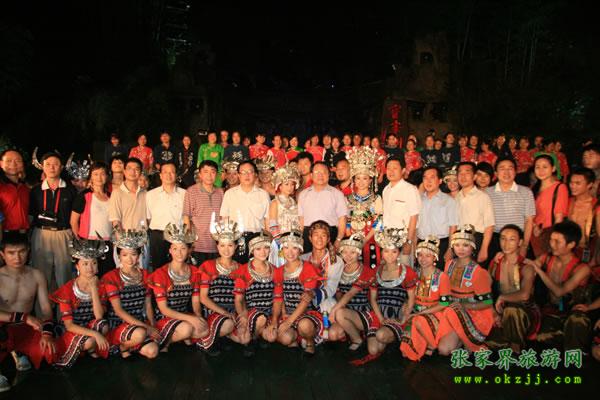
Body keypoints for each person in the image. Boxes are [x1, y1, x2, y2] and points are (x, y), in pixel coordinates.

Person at [350, 227, 417, 365]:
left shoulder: (407, 271)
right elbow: (373, 299)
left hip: (397, 315)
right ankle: (385, 334)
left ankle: (396, 333)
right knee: (373, 350)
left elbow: (411, 298)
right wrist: (381, 319)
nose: (390, 255)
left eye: (394, 252)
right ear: (381, 252)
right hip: (378, 315)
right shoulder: (377, 271)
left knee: (381, 336)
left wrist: (403, 319)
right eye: (386, 251)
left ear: (399, 253)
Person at [0, 233, 56, 391]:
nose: (17, 258)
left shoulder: (36, 275)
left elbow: (46, 310)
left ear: (28, 251)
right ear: (2, 254)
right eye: (11, 253)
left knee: (50, 353)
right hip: (3, 329)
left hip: (26, 329)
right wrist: (24, 317)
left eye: (21, 251)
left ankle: (19, 352)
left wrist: (46, 333)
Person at [524, 220, 592, 350]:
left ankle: (575, 358)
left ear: (571, 244)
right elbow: (528, 266)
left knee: (576, 321)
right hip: (552, 310)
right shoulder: (547, 257)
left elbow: (559, 292)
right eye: (551, 240)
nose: (552, 244)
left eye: (557, 242)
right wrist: (508, 257)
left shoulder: (582, 268)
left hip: (574, 313)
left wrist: (538, 270)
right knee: (541, 338)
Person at [50, 237, 110, 368]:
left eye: (94, 263)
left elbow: (99, 316)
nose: (90, 268)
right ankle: (88, 347)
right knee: (90, 341)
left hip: (89, 325)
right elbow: (69, 326)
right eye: (85, 264)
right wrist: (95, 334)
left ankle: (90, 348)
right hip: (72, 329)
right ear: (77, 266)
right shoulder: (67, 289)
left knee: (103, 325)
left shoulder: (101, 286)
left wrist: (94, 289)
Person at [148, 223, 209, 351]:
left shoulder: (194, 272)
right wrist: (190, 319)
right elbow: (164, 309)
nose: (179, 253)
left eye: (183, 248)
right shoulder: (160, 274)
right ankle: (164, 342)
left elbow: (196, 302)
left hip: (184, 314)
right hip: (165, 316)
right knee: (187, 329)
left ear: (189, 250)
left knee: (204, 330)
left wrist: (198, 318)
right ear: (170, 250)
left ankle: (180, 335)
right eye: (175, 249)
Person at [101, 229, 159, 359]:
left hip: (139, 322)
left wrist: (152, 325)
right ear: (119, 256)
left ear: (139, 255)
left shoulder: (145, 275)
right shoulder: (111, 277)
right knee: (140, 334)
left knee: (153, 351)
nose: (129, 259)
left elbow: (148, 305)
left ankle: (133, 345)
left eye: (133, 254)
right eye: (125, 255)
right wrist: (146, 328)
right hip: (119, 323)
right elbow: (118, 311)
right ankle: (122, 347)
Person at [436, 225, 494, 355]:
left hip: (473, 314)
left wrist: (464, 305)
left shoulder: (478, 271)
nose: (461, 249)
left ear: (472, 247)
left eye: (465, 245)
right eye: (457, 245)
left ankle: (470, 341)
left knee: (451, 310)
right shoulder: (449, 264)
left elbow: (487, 303)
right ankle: (463, 339)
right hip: (452, 311)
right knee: (443, 350)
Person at [485, 225, 540, 353]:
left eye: (512, 239)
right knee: (490, 341)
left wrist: (502, 297)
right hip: (501, 309)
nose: (506, 243)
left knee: (511, 311)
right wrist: (493, 311)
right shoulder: (496, 263)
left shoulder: (526, 266)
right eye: (503, 238)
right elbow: (484, 289)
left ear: (520, 242)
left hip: (523, 312)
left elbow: (525, 295)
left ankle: (516, 348)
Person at [29, 152, 78, 291]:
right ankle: (42, 305)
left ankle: (65, 305)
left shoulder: (70, 190)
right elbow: (30, 214)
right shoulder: (35, 190)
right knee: (41, 274)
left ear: (61, 167)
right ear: (42, 167)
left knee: (65, 274)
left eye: (55, 164)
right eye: (48, 164)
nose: (52, 167)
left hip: (64, 234)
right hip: (41, 234)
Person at [199, 220, 248, 355]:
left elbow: (241, 297)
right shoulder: (208, 266)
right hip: (213, 311)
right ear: (217, 246)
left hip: (233, 310)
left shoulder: (241, 268)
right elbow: (203, 298)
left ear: (236, 246)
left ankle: (225, 335)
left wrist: (243, 314)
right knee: (228, 324)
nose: (226, 249)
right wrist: (224, 313)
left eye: (230, 245)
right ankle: (206, 341)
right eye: (222, 245)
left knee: (245, 339)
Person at [272, 230, 323, 355]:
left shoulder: (308, 268)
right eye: (286, 248)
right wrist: (283, 314)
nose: (290, 252)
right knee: (284, 338)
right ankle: (295, 339)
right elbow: (279, 297)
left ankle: (310, 341)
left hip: (306, 312)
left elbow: (306, 300)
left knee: (305, 325)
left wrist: (289, 321)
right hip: (288, 313)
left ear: (300, 250)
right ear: (282, 250)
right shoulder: (279, 271)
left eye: (294, 248)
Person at [400, 237, 450, 361]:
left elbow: (444, 304)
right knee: (405, 351)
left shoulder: (442, 276)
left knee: (417, 320)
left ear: (435, 258)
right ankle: (422, 341)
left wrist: (421, 313)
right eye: (420, 255)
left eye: (428, 256)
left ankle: (432, 344)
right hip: (416, 311)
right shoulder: (414, 273)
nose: (423, 259)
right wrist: (406, 305)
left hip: (435, 313)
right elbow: (409, 296)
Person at [328, 234, 377, 349]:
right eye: (345, 252)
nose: (348, 256)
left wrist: (334, 310)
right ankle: (352, 331)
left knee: (339, 313)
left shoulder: (366, 270)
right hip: (346, 312)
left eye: (352, 252)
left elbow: (350, 293)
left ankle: (357, 339)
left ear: (359, 253)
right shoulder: (340, 269)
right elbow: (339, 292)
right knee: (333, 334)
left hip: (364, 313)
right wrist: (340, 307)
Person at [234, 232, 279, 356]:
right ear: (252, 250)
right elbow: (238, 299)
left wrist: (275, 319)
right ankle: (253, 340)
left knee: (272, 337)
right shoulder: (243, 270)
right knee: (259, 320)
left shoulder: (274, 270)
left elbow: (277, 298)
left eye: (266, 248)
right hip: (250, 312)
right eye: (258, 249)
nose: (263, 252)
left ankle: (260, 334)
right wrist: (243, 316)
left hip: (269, 312)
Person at [219, 161, 270, 263]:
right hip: (236, 238)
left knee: (256, 268)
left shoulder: (263, 194)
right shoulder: (230, 194)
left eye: (250, 172)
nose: (247, 175)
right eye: (243, 172)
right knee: (237, 268)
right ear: (238, 175)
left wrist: (268, 239)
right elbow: (224, 218)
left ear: (255, 174)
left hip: (257, 239)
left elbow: (267, 220)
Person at [486, 158, 536, 260]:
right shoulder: (487, 193)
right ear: (496, 173)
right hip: (494, 239)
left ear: (515, 172)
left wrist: (524, 245)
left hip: (518, 239)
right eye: (502, 169)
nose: (506, 172)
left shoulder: (526, 192)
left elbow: (529, 220)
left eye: (510, 168)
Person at [70, 161, 115, 276]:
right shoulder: (84, 196)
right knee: (90, 274)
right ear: (91, 177)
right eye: (95, 174)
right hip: (88, 242)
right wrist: (79, 242)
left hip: (107, 242)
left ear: (107, 176)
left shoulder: (111, 196)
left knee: (107, 274)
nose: (99, 177)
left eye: (102, 174)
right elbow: (73, 221)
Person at [345, 146, 384, 270]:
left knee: (369, 271)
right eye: (358, 178)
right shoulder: (348, 199)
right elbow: (346, 219)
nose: (361, 181)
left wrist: (366, 239)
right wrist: (349, 235)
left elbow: (379, 221)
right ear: (354, 180)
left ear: (371, 180)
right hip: (351, 241)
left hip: (370, 240)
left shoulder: (376, 199)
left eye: (365, 178)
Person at [298, 162, 348, 253]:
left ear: (329, 174)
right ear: (311, 175)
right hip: (308, 235)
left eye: (324, 172)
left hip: (330, 234)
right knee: (308, 261)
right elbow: (301, 219)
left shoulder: (337, 194)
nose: (320, 175)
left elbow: (342, 218)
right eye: (317, 172)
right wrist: (300, 239)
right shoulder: (303, 194)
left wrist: (338, 239)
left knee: (330, 261)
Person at [145, 162, 186, 271]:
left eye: (172, 172)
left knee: (178, 268)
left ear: (176, 175)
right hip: (157, 237)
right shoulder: (150, 195)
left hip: (178, 236)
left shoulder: (185, 194)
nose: (169, 175)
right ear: (160, 175)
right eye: (165, 172)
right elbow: (148, 218)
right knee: (158, 269)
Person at [183, 160, 224, 266]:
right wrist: (188, 243)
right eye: (205, 172)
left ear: (216, 175)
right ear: (200, 174)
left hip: (217, 245)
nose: (209, 175)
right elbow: (186, 216)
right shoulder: (191, 191)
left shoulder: (220, 192)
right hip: (197, 245)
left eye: (212, 172)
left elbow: (223, 218)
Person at [382, 157, 421, 265]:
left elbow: (414, 217)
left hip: (404, 238)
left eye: (395, 168)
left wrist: (409, 242)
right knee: (389, 270)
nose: (391, 171)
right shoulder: (386, 190)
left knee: (404, 269)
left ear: (403, 170)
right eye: (388, 168)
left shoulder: (410, 189)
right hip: (388, 239)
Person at [417, 167, 458, 269]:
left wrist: (450, 248)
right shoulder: (418, 200)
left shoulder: (448, 200)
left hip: (441, 245)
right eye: (425, 178)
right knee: (422, 275)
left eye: (432, 177)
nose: (428, 181)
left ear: (440, 181)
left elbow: (453, 226)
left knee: (439, 275)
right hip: (421, 244)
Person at [301, 221, 345, 314]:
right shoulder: (303, 259)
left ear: (328, 239)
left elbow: (331, 287)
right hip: (303, 299)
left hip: (326, 301)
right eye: (316, 235)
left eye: (323, 235)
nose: (319, 239)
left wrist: (313, 293)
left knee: (330, 308)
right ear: (310, 238)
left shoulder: (335, 261)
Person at [455, 162, 495, 264]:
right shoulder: (456, 197)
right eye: (460, 173)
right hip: (458, 240)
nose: (463, 176)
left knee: (476, 272)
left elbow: (489, 225)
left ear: (474, 176)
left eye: (467, 172)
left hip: (476, 239)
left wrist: (484, 249)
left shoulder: (483, 197)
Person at [531, 154, 568, 257]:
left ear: (553, 168)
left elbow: (559, 218)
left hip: (549, 234)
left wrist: (554, 239)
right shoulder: (534, 188)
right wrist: (534, 226)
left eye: (545, 167)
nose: (541, 170)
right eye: (537, 167)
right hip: (534, 234)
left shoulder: (560, 188)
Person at [267, 164, 300, 267]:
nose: (290, 187)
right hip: (280, 241)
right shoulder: (275, 202)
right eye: (286, 184)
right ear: (279, 186)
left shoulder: (294, 202)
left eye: (292, 184)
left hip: (293, 241)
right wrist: (279, 242)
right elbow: (272, 223)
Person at [567, 167, 599, 264]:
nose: (573, 186)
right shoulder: (567, 202)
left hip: (589, 251)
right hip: (567, 251)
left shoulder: (596, 206)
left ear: (590, 185)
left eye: (578, 183)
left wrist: (595, 258)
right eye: (571, 182)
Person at [108, 157, 147, 232]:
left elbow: (147, 218)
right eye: (129, 169)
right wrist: (121, 238)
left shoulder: (145, 193)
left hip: (143, 237)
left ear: (140, 172)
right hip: (125, 237)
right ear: (124, 171)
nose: (133, 172)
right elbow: (115, 221)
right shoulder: (117, 193)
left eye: (136, 169)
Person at [0, 149, 29, 234]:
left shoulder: (25, 188)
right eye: (9, 161)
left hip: (25, 235)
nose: (13, 164)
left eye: (18, 161)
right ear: (1, 164)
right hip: (4, 235)